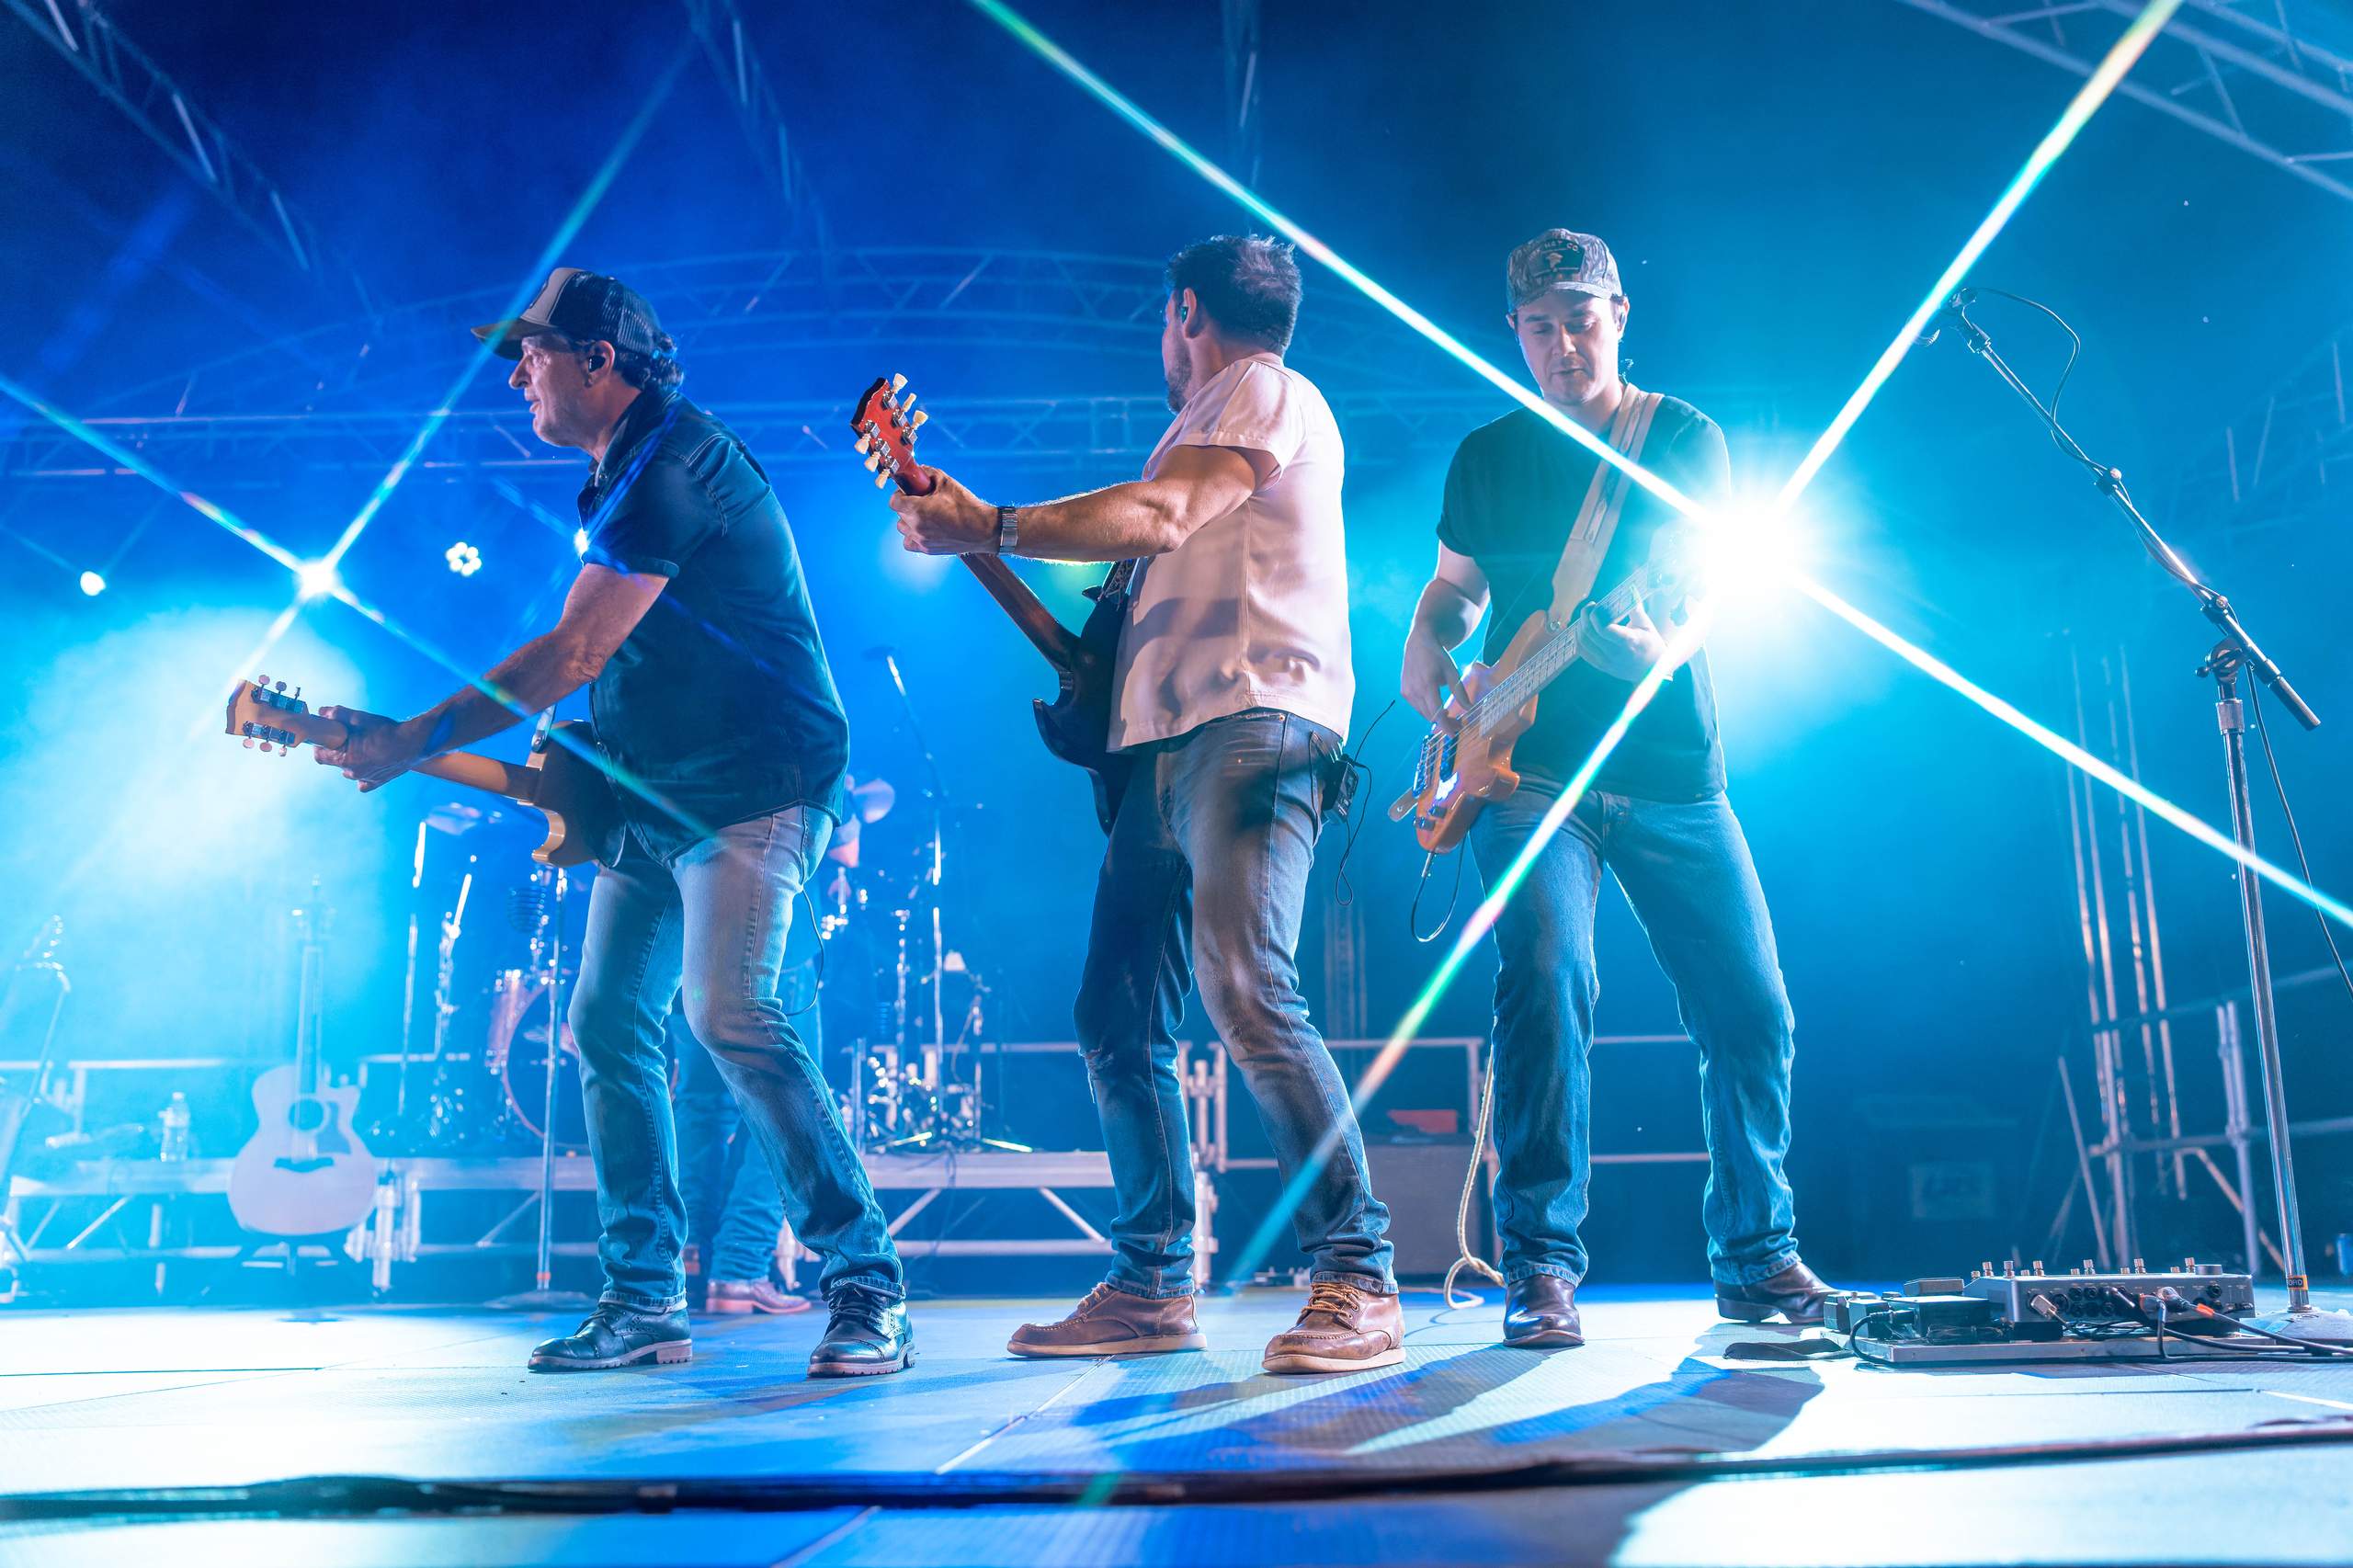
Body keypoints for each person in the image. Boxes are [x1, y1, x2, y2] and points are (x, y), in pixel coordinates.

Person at [318, 267, 911, 1376]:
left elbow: (571, 652)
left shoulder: (673, 467)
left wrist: (409, 736)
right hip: (656, 794)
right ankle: (644, 1298)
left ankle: (866, 1282)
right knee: (603, 1022)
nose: (516, 372)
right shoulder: (621, 471)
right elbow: (622, 669)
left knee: (730, 1008)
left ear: (603, 358)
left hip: (754, 788)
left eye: (535, 350)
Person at [889, 235, 1400, 1373]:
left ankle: (1357, 1271)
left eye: (1164, 324)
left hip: (1253, 719)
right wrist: (982, 547)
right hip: (1160, 749)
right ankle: (1152, 1281)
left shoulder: (1260, 389)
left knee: (1246, 986)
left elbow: (1164, 515)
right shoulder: (1195, 428)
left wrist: (995, 522)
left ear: (1184, 311)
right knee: (1116, 1016)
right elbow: (1122, 622)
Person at [1399, 230, 1837, 1348]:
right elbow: (1456, 597)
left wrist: (1664, 639)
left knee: (1750, 1006)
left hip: (1671, 770)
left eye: (1577, 318)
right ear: (1514, 333)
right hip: (1523, 769)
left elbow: (1709, 581)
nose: (1559, 343)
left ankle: (1756, 1252)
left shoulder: (1681, 437)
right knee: (1546, 974)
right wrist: (1425, 642)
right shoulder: (1486, 455)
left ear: (1619, 313)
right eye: (1537, 325)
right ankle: (1540, 1264)